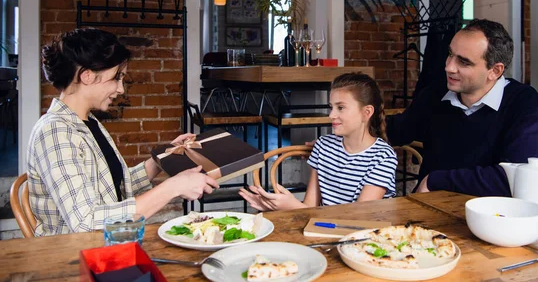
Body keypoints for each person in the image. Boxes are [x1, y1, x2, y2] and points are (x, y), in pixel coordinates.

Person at [28, 28, 219, 236]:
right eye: (116, 77)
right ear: (87, 76)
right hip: (73, 257)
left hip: (107, 246)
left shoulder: (87, 122)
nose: (120, 89)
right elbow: (86, 221)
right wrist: (172, 187)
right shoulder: (55, 132)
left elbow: (113, 187)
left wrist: (161, 159)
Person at [387, 19, 538, 197]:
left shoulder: (523, 101)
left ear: (495, 71)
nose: (448, 67)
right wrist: (357, 118)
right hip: (430, 207)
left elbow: (517, 177)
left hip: (493, 215)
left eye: (464, 62)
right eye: (450, 54)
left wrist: (435, 180)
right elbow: (397, 130)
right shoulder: (435, 93)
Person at [239, 72, 398, 211]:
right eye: (331, 107)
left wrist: (292, 207)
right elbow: (310, 207)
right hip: (324, 228)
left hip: (365, 238)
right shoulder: (323, 146)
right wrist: (275, 208)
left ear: (367, 112)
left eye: (340, 108)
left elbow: (359, 218)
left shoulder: (383, 157)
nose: (331, 115)